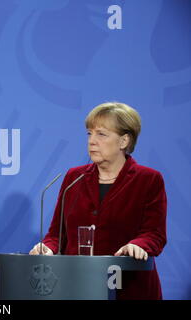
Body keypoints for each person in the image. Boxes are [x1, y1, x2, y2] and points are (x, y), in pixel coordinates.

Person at [29, 102, 167, 300]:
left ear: (124, 141)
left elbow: (155, 234)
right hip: (77, 286)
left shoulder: (148, 179)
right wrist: (48, 247)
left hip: (128, 286)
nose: (92, 141)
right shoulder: (74, 178)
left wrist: (139, 245)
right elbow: (57, 234)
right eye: (89, 134)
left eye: (101, 134)